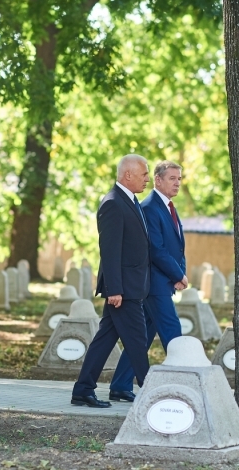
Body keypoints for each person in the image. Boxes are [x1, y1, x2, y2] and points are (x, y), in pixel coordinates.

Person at [71, 154, 152, 408]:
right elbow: (110, 250)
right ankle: (152, 392)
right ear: (128, 174)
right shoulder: (113, 203)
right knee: (138, 339)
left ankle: (83, 389)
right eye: (144, 174)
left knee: (105, 339)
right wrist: (114, 289)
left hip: (131, 286)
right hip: (123, 290)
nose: (147, 179)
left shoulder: (131, 201)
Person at [108, 161, 188, 402]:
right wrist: (178, 274)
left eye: (179, 178)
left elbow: (176, 246)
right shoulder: (150, 207)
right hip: (153, 285)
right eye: (172, 178)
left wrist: (179, 272)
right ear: (158, 180)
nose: (177, 183)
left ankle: (121, 385)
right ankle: (185, 383)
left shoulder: (168, 207)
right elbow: (156, 249)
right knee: (173, 333)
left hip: (164, 282)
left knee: (140, 338)